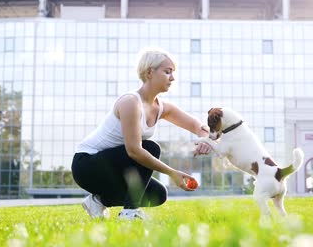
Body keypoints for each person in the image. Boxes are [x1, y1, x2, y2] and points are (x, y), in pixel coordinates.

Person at [71, 47, 212, 220]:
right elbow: (134, 151)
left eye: (173, 73)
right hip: (86, 165)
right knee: (150, 147)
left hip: (113, 166)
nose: (172, 78)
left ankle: (97, 201)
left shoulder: (162, 107)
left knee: (158, 194)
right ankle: (129, 213)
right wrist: (172, 173)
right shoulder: (130, 102)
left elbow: (198, 127)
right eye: (168, 72)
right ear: (149, 72)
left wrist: (206, 140)